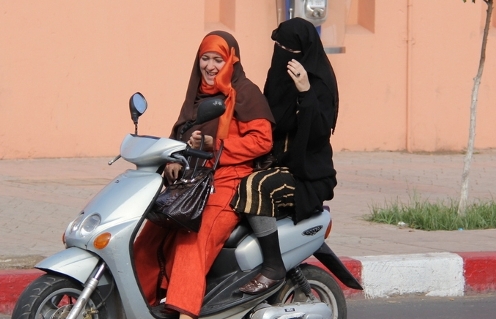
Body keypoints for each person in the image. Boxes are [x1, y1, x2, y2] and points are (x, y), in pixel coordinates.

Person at [133, 31, 274, 319]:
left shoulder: (246, 92)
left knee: (192, 239)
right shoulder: (197, 96)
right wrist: (174, 158)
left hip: (228, 182)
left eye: (217, 60)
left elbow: (262, 140)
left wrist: (218, 146)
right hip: (191, 183)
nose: (209, 66)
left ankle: (184, 312)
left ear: (231, 61)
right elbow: (181, 134)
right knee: (148, 237)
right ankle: (136, 305)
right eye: (204, 59)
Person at [231, 17, 340, 295]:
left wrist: (305, 93)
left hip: (307, 174)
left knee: (255, 186)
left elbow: (317, 135)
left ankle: (273, 266)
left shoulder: (320, 84)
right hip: (278, 164)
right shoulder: (277, 77)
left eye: (289, 51)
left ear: (303, 54)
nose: (282, 54)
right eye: (278, 46)